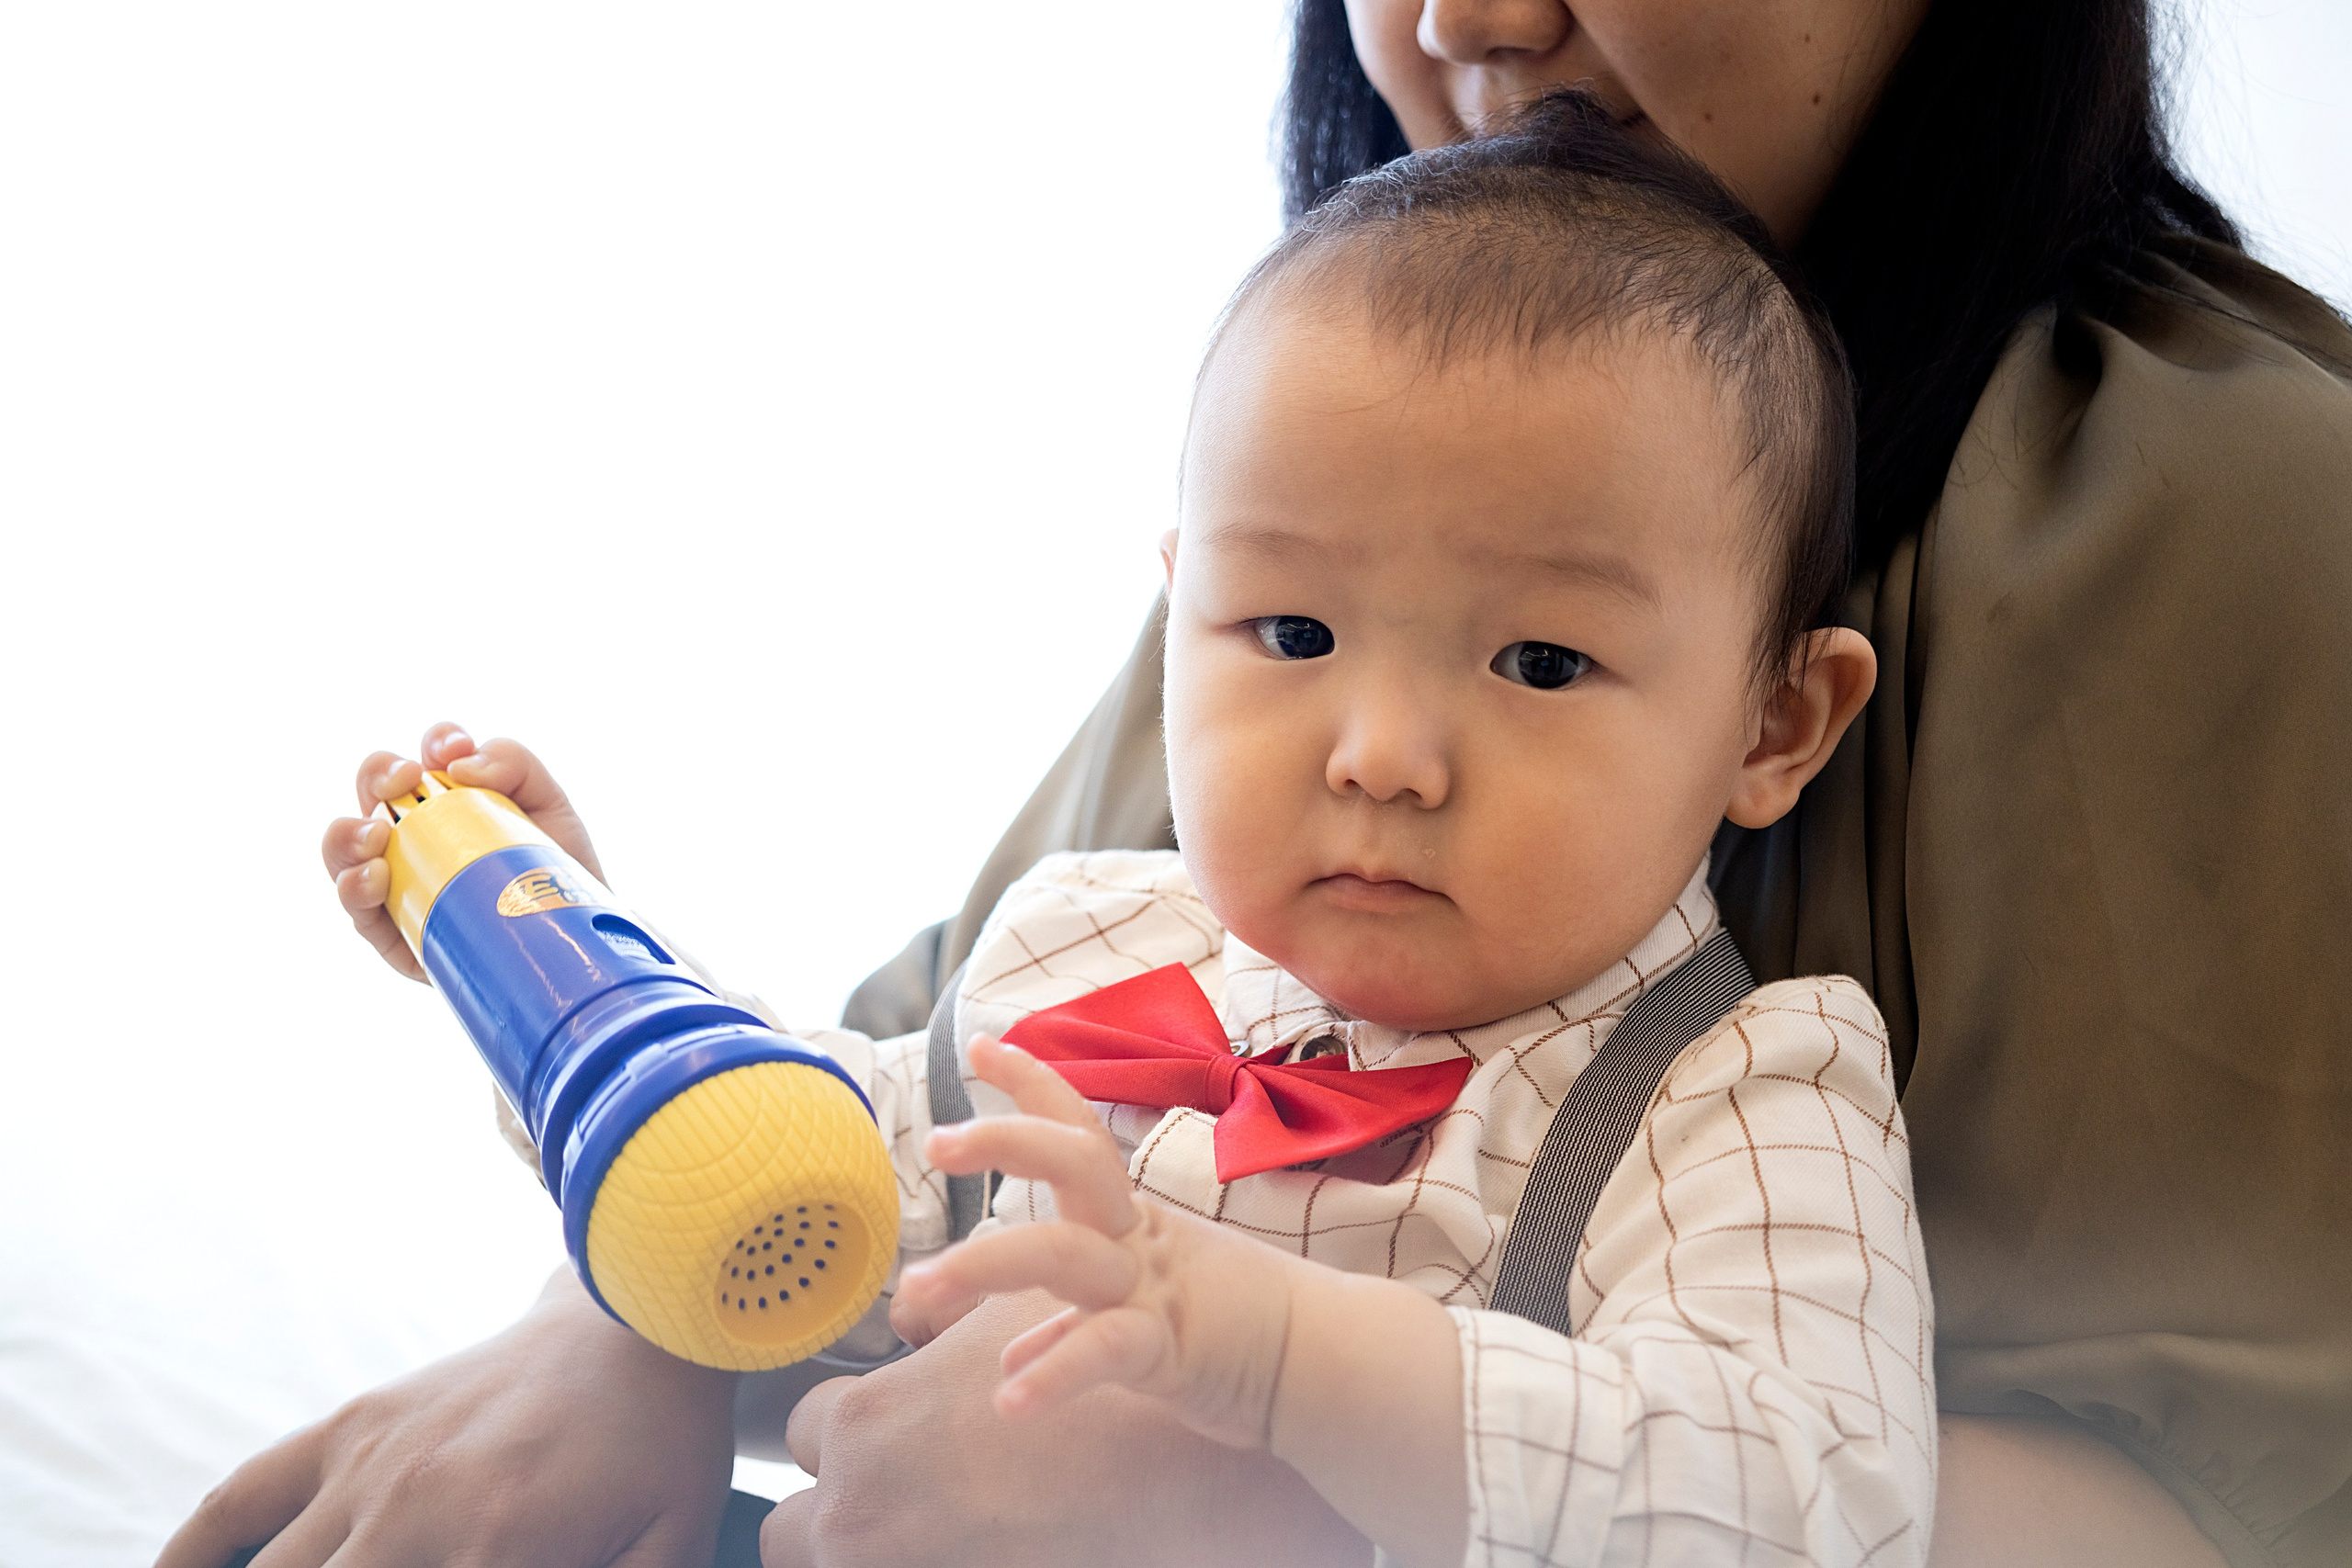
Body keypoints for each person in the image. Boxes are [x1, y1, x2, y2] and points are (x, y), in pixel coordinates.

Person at [165, 0, 2351, 1563]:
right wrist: (580, 1084)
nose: (1460, 22)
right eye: (1283, 631)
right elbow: (862, 1148)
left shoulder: (2221, 546)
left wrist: (1277, 1469)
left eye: (1542, 659)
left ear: (1783, 716)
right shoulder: (1277, 644)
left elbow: (1981, 1490)